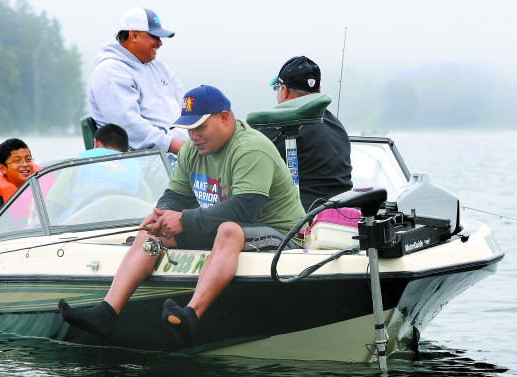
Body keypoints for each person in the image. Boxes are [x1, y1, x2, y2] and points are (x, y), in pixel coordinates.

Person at [58, 85, 305, 345]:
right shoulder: (192, 149)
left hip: (282, 234)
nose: (194, 136)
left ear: (224, 117)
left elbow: (246, 209)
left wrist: (184, 220)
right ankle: (106, 312)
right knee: (152, 233)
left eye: (200, 127)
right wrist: (160, 216)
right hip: (227, 230)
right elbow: (175, 195)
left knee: (229, 230)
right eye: (189, 129)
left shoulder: (251, 148)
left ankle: (190, 316)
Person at [87, 7, 188, 155]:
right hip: (145, 157)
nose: (160, 43)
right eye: (155, 36)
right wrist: (171, 144)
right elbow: (128, 125)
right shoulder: (110, 71)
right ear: (133, 35)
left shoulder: (159, 66)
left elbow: (185, 106)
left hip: (180, 152)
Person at [260, 55, 353, 211]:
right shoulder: (336, 124)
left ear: (284, 91)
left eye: (277, 88)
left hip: (302, 220)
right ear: (318, 90)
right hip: (343, 213)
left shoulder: (280, 125)